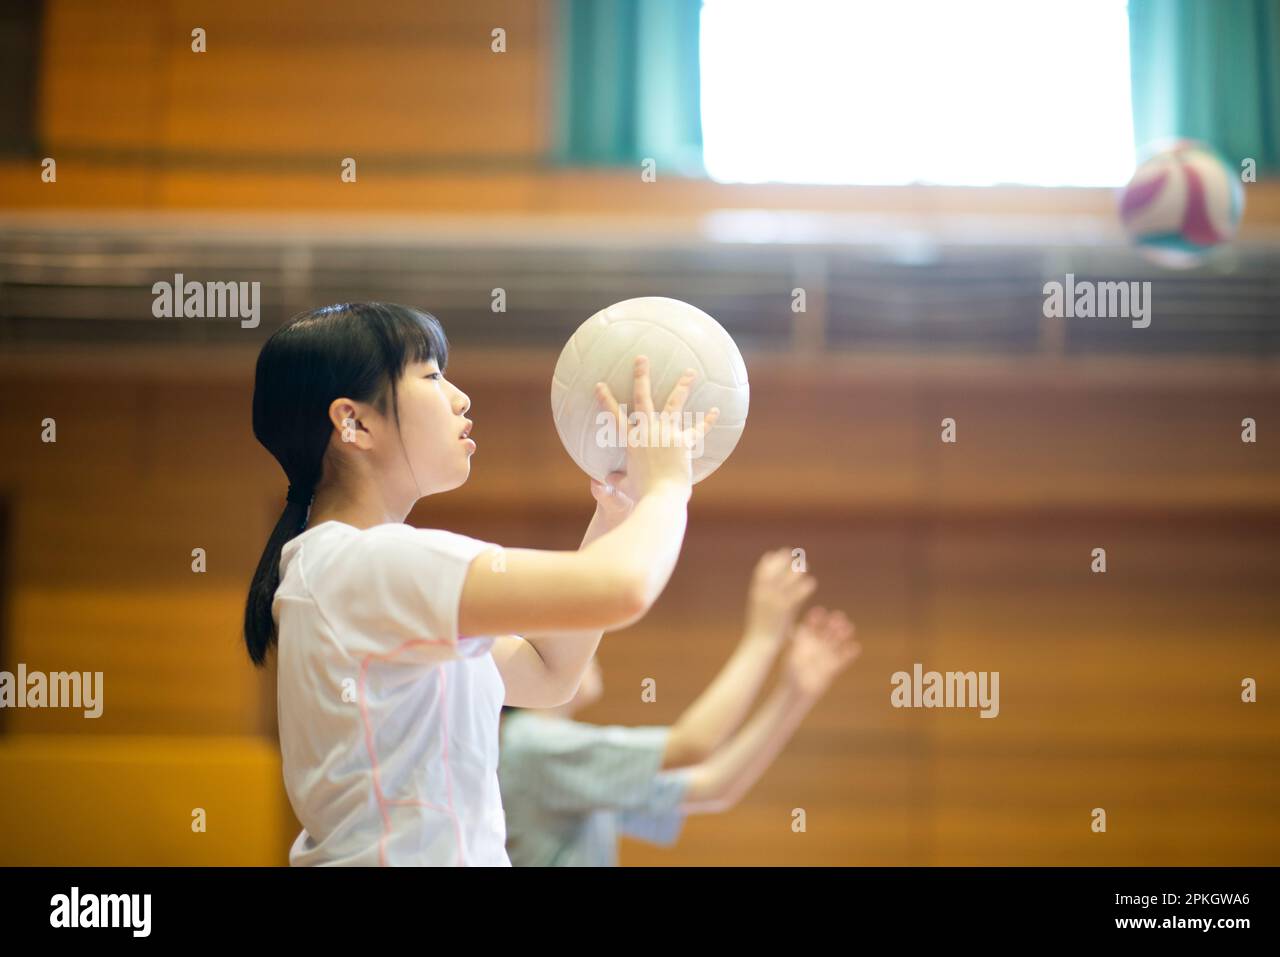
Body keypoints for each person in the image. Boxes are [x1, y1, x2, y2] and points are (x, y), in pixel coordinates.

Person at [242, 301, 718, 865]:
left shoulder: (345, 568)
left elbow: (550, 673)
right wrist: (668, 489)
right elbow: (623, 588)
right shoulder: (369, 563)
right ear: (355, 422)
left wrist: (619, 513)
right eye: (431, 375)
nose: (459, 397)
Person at [498, 546, 861, 866]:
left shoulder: (548, 751)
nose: (590, 644)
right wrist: (763, 639)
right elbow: (692, 745)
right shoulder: (532, 746)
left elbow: (714, 787)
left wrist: (793, 695)